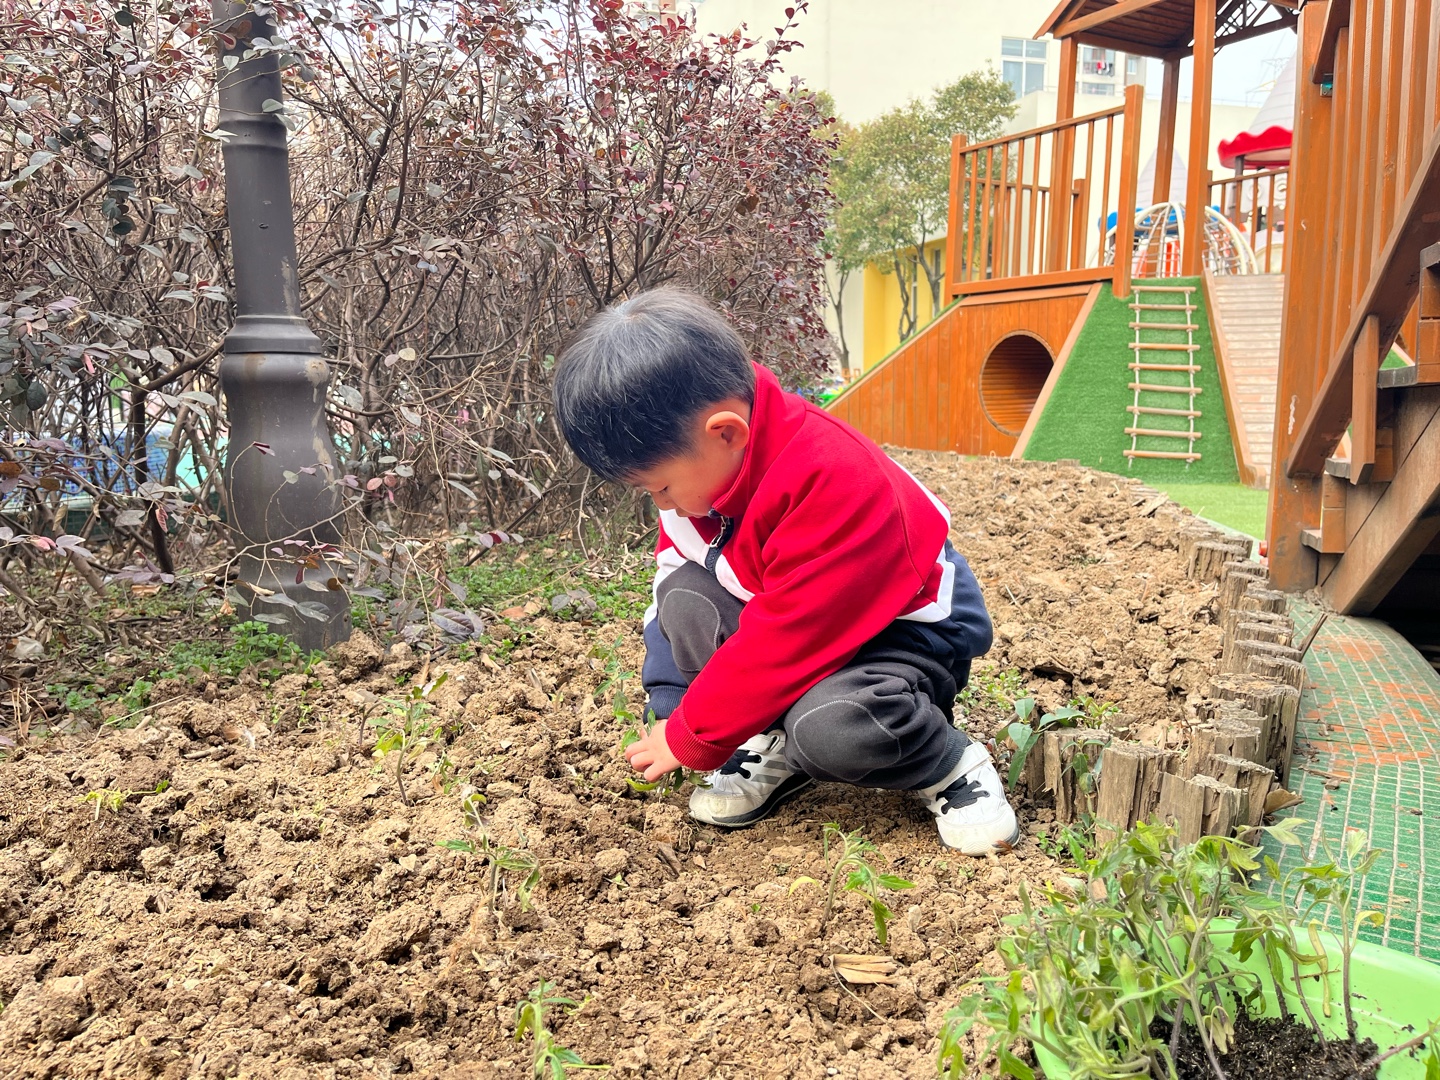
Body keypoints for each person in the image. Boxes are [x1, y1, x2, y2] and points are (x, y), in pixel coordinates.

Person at [551, 288, 1018, 854]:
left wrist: (692, 732)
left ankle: (948, 765)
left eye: (662, 487)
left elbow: (789, 636)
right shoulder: (707, 480)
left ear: (726, 432)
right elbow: (670, 581)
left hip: (901, 637)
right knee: (686, 596)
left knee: (831, 728)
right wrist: (672, 698)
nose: (662, 505)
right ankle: (773, 742)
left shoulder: (835, 477)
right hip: (797, 627)